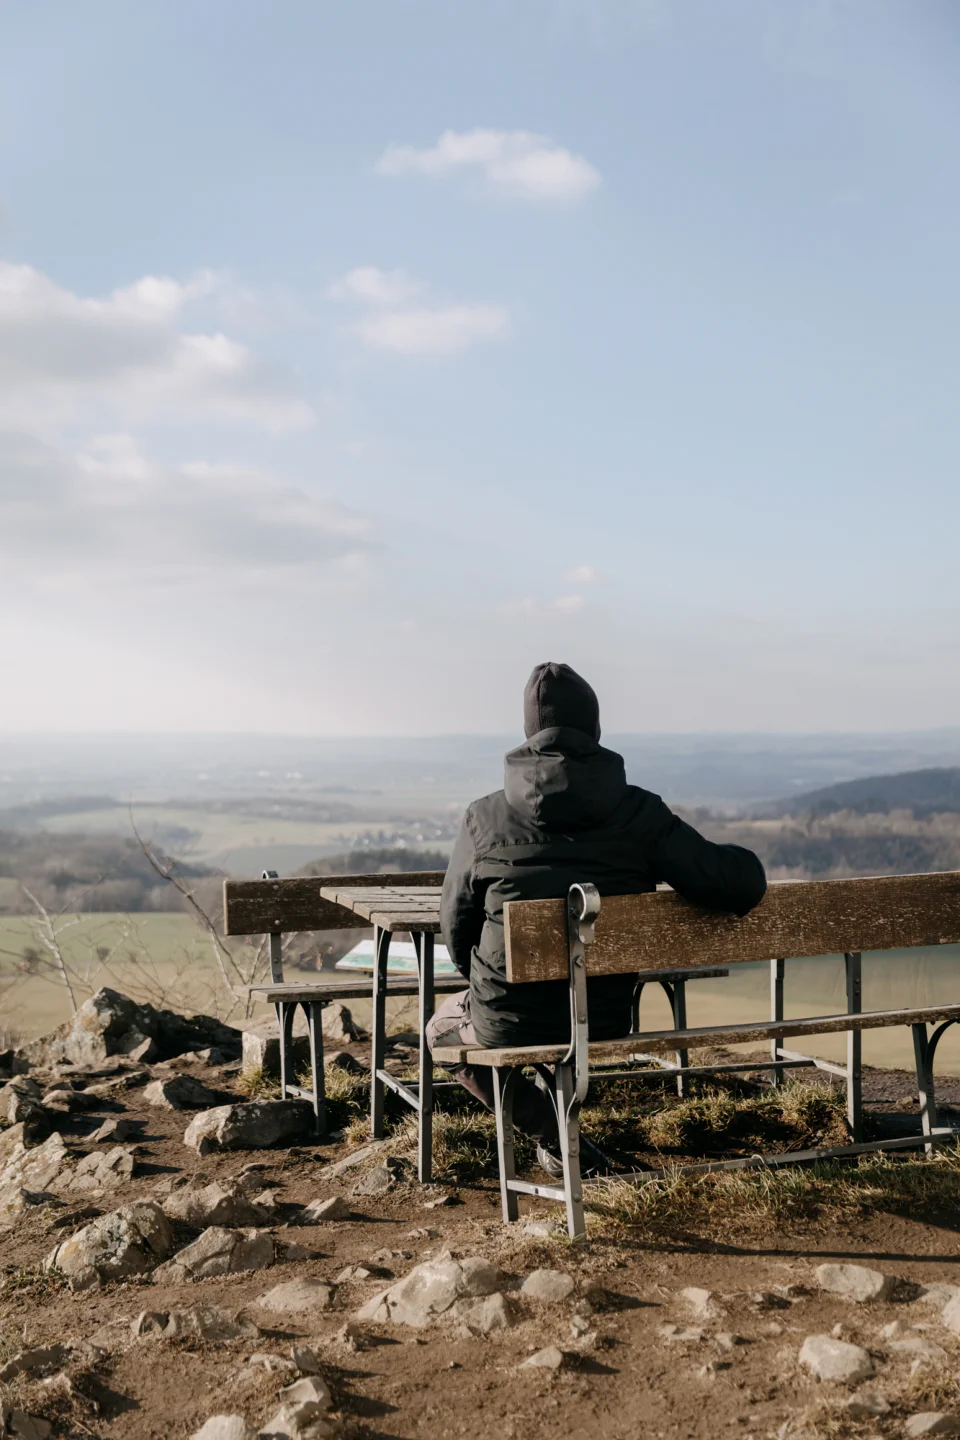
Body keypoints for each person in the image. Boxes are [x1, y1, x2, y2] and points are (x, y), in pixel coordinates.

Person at [426, 660, 767, 1180]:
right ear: (596, 730)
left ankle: (558, 1138)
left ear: (528, 734)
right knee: (530, 1021)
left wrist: (487, 977)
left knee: (437, 1033)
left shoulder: (483, 818)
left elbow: (456, 926)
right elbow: (735, 883)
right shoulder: (640, 814)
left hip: (505, 1016)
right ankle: (567, 1141)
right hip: (602, 1014)